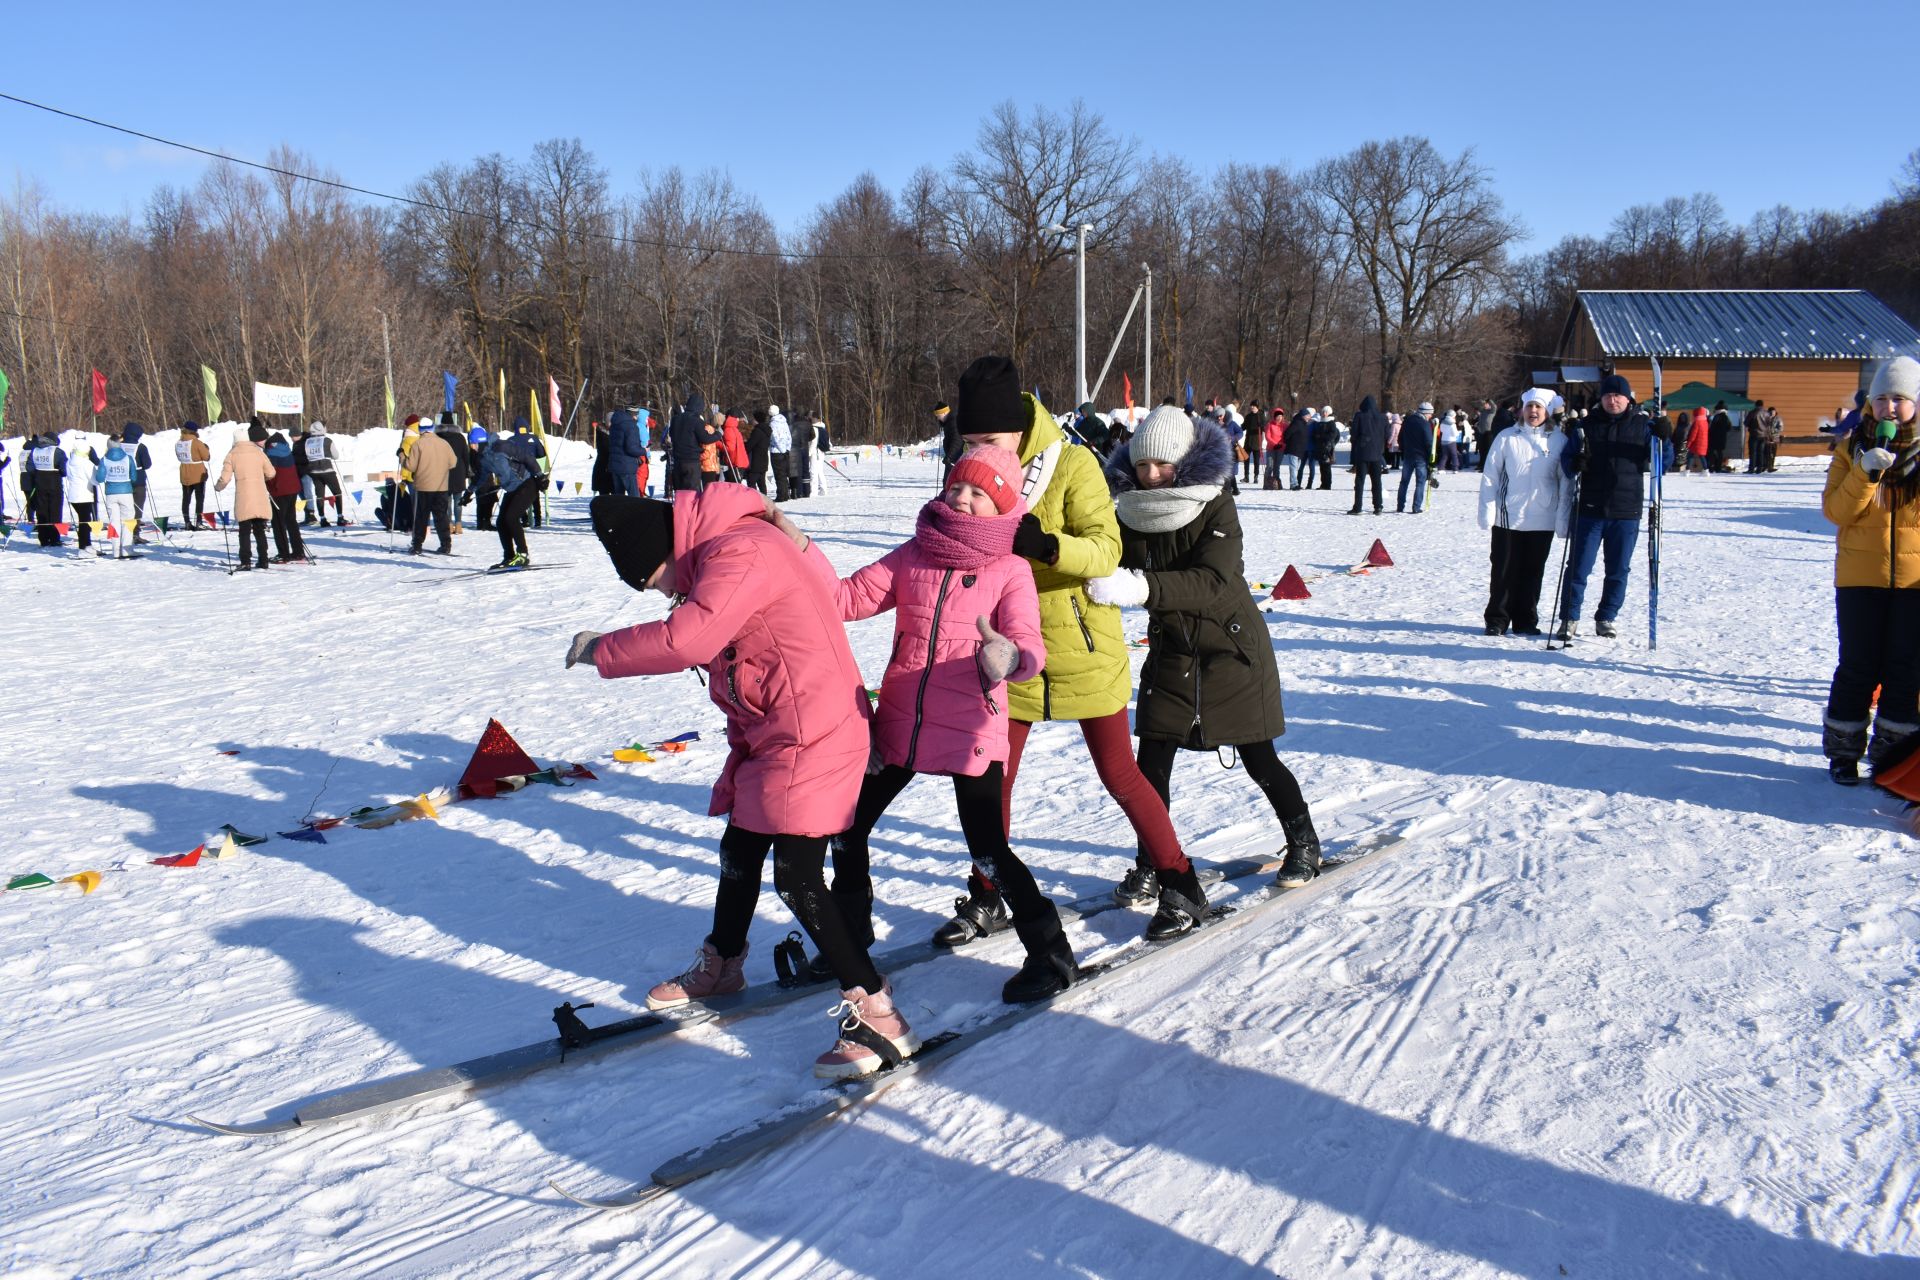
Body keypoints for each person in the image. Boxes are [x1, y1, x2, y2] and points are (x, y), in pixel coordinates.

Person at [569, 487, 914, 1079]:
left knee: (797, 874)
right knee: (741, 847)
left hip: (815, 730)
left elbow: (688, 639)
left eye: (654, 580)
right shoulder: (723, 553)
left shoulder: (740, 552)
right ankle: (723, 965)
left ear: (666, 550)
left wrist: (603, 648)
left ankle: (877, 1009)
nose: (663, 593)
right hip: (775, 730)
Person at [785, 445, 1077, 1002]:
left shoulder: (1011, 570)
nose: (963, 500)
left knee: (987, 848)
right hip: (900, 720)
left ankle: (1051, 952)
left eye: (979, 493)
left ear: (1002, 505)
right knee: (847, 826)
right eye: (957, 488)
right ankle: (851, 931)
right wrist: (800, 546)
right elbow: (845, 598)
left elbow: (1028, 645)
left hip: (970, 724)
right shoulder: (914, 553)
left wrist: (1007, 659)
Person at [937, 356, 1212, 943]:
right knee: (993, 780)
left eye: (989, 439)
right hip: (1005, 650)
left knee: (1119, 772)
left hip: (1080, 643)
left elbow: (1106, 552)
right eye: (969, 441)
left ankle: (1179, 881)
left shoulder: (1072, 465)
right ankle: (989, 893)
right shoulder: (968, 469)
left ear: (1018, 426)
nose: (978, 452)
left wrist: (1045, 544)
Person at [1087, 404, 1324, 889]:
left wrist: (1141, 588)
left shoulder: (1215, 502)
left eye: (1162, 465)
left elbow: (1215, 580)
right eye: (1141, 465)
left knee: (1261, 760)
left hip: (1232, 651)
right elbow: (1103, 555)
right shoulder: (1129, 511)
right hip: (1172, 651)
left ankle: (1304, 842)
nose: (1150, 476)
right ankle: (1152, 861)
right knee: (1149, 768)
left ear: (1184, 461)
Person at [1821, 356, 1920, 784]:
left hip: (1915, 582)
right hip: (1860, 578)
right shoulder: (1850, 450)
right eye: (1881, 399)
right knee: (1858, 665)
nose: (1890, 408)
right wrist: (1865, 472)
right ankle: (1844, 752)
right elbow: (1836, 511)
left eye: (1900, 399)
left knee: (1907, 667)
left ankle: (1893, 755)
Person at [1554, 373, 1671, 641]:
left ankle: (1606, 616)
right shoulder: (1586, 426)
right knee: (1578, 568)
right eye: (1608, 396)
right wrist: (1576, 464)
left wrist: (1665, 438)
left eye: (1618, 396)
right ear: (1601, 399)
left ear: (1628, 399)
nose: (1613, 400)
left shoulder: (1643, 426)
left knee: (1618, 570)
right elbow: (1567, 461)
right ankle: (1569, 618)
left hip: (1626, 510)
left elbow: (1661, 463)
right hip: (1590, 509)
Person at [1479, 388, 1571, 636]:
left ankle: (1526, 620)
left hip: (1543, 519)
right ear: (1522, 409)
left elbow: (1566, 483)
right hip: (1509, 518)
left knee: (1533, 572)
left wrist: (1562, 519)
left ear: (1547, 411)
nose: (1533, 411)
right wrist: (1487, 511)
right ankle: (1497, 619)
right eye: (1529, 406)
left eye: (1538, 407)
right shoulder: (1507, 437)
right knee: (1503, 569)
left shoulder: (1559, 441)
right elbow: (1490, 476)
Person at [483, 425, 544, 568]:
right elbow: (482, 475)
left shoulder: (503, 446)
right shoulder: (485, 456)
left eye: (473, 443)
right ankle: (509, 556)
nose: (472, 447)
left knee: (511, 517)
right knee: (500, 522)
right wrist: (468, 492)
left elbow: (527, 457)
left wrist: (540, 476)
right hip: (512, 489)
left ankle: (523, 554)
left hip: (527, 484)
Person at [217, 422, 275, 570]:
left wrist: (218, 487)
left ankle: (245, 561)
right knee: (259, 530)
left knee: (244, 531)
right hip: (260, 495)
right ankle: (263, 559)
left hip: (243, 497)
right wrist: (261, 479)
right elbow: (271, 473)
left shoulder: (232, 454)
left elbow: (225, 478)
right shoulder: (259, 452)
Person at [406, 417, 458, 555]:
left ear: (420, 430)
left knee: (421, 517)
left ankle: (417, 545)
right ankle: (446, 544)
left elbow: (411, 466)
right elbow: (453, 462)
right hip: (441, 486)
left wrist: (401, 456)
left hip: (423, 486)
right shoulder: (444, 443)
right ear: (432, 428)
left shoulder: (418, 444)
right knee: (441, 516)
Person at [263, 431, 310, 563]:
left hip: (279, 490)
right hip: (293, 488)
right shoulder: (286, 448)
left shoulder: (270, 452)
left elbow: (270, 474)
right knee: (291, 521)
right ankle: (298, 551)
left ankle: (283, 553)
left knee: (278, 523)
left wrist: (268, 486)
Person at [93, 433, 140, 559]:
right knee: (128, 521)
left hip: (110, 494)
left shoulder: (104, 459)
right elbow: (134, 478)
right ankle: (127, 550)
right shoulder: (128, 458)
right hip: (126, 493)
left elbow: (100, 478)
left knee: (114, 523)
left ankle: (115, 551)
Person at [1347, 396, 1388, 515]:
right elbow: (1386, 434)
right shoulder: (1382, 417)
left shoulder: (1359, 416)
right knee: (1377, 481)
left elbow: (1354, 434)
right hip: (1377, 453)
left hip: (1362, 453)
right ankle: (1378, 506)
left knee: (1360, 481)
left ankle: (1358, 507)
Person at [668, 392, 716, 494]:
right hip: (691, 461)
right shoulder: (696, 421)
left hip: (677, 460)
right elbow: (705, 439)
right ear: (699, 407)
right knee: (692, 492)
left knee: (680, 491)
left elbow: (671, 434)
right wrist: (718, 435)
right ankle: (690, 509)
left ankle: (680, 509)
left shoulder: (675, 419)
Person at [26, 432, 67, 546]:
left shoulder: (34, 451)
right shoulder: (57, 451)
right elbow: (64, 471)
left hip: (39, 483)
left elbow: (29, 468)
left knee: (41, 511)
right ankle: (54, 538)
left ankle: (43, 538)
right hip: (55, 483)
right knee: (55, 511)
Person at [1397, 402, 1434, 514]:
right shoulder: (1424, 424)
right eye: (1430, 414)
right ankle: (1416, 507)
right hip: (1421, 457)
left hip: (1408, 456)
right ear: (1425, 413)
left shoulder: (1407, 421)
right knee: (1420, 482)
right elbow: (1429, 442)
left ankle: (1400, 506)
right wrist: (1430, 458)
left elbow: (1400, 438)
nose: (1430, 416)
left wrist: (1404, 450)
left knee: (1404, 482)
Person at [64, 435, 96, 555]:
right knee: (85, 522)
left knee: (83, 520)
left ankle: (87, 545)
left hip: (73, 495)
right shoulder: (85, 463)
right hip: (84, 495)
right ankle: (83, 547)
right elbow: (94, 480)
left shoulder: (70, 462)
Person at [605, 407, 644, 498]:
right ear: (633, 414)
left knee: (619, 498)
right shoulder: (631, 426)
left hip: (615, 465)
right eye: (637, 415)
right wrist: (643, 450)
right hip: (627, 466)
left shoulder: (615, 424)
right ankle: (635, 512)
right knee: (634, 498)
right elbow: (632, 449)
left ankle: (619, 512)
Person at [177, 422, 210, 527]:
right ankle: (199, 522)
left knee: (186, 499)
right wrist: (206, 449)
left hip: (184, 473)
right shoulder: (196, 442)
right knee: (199, 499)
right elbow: (206, 457)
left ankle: (187, 521)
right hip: (197, 474)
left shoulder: (179, 442)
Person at [768, 404, 793, 502]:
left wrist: (781, 449)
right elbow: (789, 436)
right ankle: (785, 494)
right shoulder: (784, 422)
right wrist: (787, 448)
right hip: (785, 451)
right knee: (784, 474)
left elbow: (775, 437)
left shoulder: (773, 424)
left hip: (776, 451)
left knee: (779, 474)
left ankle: (781, 495)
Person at [934, 401, 963, 484]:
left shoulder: (953, 422)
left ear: (944, 413)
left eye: (938, 416)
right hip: (953, 457)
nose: (938, 418)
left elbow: (957, 441)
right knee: (947, 481)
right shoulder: (949, 422)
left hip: (955, 457)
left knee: (949, 482)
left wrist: (949, 457)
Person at [1311, 407, 1339, 489]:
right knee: (1322, 467)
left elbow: (1333, 435)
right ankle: (1323, 484)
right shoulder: (1321, 422)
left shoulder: (1331, 422)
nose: (1323, 413)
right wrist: (1315, 436)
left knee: (1326, 467)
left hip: (1327, 448)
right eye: (1322, 412)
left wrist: (1322, 436)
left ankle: (1327, 485)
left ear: (1328, 412)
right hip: (1320, 447)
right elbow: (1317, 433)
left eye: (1325, 412)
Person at [745, 408, 771, 493]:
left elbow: (749, 446)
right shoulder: (767, 430)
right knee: (761, 483)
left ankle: (755, 500)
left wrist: (744, 444)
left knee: (751, 482)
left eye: (753, 418)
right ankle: (765, 501)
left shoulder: (757, 431)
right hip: (763, 460)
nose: (752, 420)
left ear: (756, 420)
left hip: (755, 461)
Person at [1708, 401, 1735, 472]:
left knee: (1712, 452)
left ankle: (1712, 466)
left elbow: (1712, 428)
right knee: (1720, 452)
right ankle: (1718, 467)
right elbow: (1729, 427)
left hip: (1714, 437)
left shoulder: (1716, 417)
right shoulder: (1726, 417)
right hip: (1723, 437)